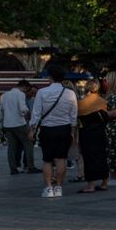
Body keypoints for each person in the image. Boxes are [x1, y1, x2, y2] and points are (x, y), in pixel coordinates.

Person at [29, 64, 79, 198]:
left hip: (48, 129)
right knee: (61, 159)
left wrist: (32, 129)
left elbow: (36, 113)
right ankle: (58, 187)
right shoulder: (70, 93)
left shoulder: (42, 92)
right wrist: (73, 130)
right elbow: (73, 114)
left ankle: (48, 188)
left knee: (47, 160)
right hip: (65, 128)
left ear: (50, 77)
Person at [75, 79, 114, 193]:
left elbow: (77, 118)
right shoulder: (102, 101)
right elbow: (105, 117)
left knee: (89, 158)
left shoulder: (81, 103)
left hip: (86, 133)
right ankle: (104, 182)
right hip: (100, 132)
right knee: (102, 156)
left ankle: (90, 185)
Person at [0, 78, 38, 174]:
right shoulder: (20, 94)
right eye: (27, 90)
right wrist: (28, 115)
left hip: (7, 124)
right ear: (24, 87)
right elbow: (23, 109)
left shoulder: (4, 95)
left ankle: (13, 169)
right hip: (19, 123)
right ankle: (31, 167)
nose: (27, 92)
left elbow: (1, 109)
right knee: (28, 144)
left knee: (11, 147)